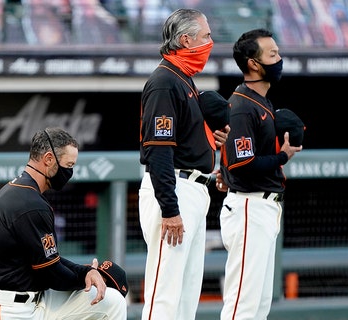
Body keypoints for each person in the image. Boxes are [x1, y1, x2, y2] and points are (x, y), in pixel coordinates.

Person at [0, 127, 127, 320]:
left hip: (28, 298)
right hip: (8, 308)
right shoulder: (30, 203)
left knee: (112, 301)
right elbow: (52, 274)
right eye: (68, 165)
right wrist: (84, 277)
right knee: (103, 297)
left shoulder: (18, 190)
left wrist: (85, 271)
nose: (70, 172)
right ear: (48, 159)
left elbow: (50, 260)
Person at [138, 8, 229, 320]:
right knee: (165, 294)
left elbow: (181, 141)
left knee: (187, 295)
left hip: (193, 190)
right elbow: (159, 151)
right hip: (174, 190)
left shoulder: (184, 79)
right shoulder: (165, 81)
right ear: (186, 39)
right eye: (205, 36)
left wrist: (207, 145)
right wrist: (170, 209)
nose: (210, 42)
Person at [216, 28, 302, 320]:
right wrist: (283, 156)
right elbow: (244, 163)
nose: (279, 59)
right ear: (253, 63)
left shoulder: (262, 101)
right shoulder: (241, 105)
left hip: (262, 207)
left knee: (260, 303)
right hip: (249, 206)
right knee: (243, 304)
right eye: (273, 54)